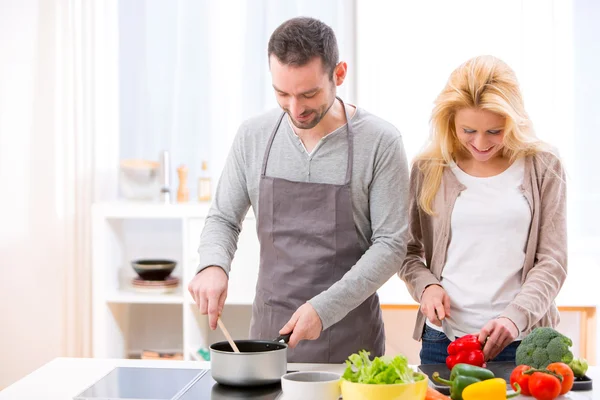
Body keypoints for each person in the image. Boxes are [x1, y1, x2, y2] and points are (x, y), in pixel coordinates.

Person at [187, 17, 411, 363]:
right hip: (269, 339)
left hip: (351, 342)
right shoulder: (253, 136)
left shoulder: (380, 142)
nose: (295, 109)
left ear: (339, 74)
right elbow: (223, 218)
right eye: (282, 94)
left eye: (309, 94)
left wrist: (323, 309)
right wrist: (212, 265)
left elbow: (391, 245)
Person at [399, 55, 567, 365]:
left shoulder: (543, 165)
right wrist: (427, 286)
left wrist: (514, 318)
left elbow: (553, 261)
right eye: (468, 130)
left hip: (524, 341)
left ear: (513, 121)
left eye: (494, 131)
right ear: (450, 121)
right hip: (443, 341)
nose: (480, 143)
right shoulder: (429, 167)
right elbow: (407, 251)